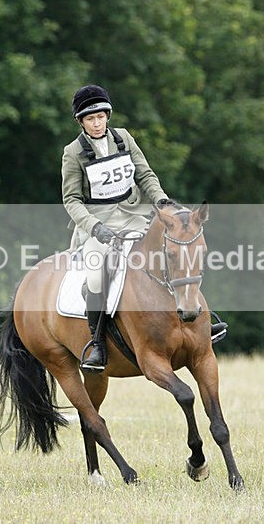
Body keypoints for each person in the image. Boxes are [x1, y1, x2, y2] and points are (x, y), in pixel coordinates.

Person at [61, 84, 173, 372]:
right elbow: (71, 200)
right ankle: (97, 343)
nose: (97, 123)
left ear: (107, 115)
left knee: (173, 249)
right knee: (97, 275)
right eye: (90, 119)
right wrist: (94, 227)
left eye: (100, 116)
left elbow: (144, 174)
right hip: (98, 226)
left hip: (135, 216)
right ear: (81, 122)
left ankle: (196, 319)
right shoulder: (73, 153)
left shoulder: (123, 138)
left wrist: (161, 199)